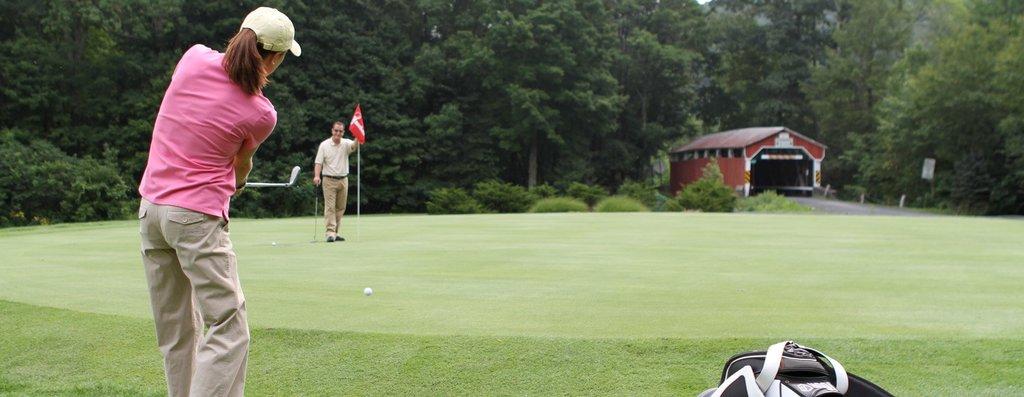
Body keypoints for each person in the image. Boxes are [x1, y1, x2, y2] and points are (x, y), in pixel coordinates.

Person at [136, 7, 300, 396]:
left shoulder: (192, 57)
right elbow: (240, 166)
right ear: (274, 59)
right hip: (194, 217)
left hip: (150, 210)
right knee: (228, 326)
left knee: (177, 331)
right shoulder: (261, 112)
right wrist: (238, 184)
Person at [313, 120, 360, 242]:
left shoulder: (346, 143)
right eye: (336, 130)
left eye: (340, 131)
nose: (338, 133)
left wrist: (358, 136)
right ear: (332, 131)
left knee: (340, 208)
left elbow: (354, 146)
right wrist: (317, 176)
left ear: (343, 132)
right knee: (330, 207)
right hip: (329, 180)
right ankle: (330, 233)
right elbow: (318, 162)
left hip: (343, 180)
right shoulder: (324, 145)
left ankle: (335, 232)